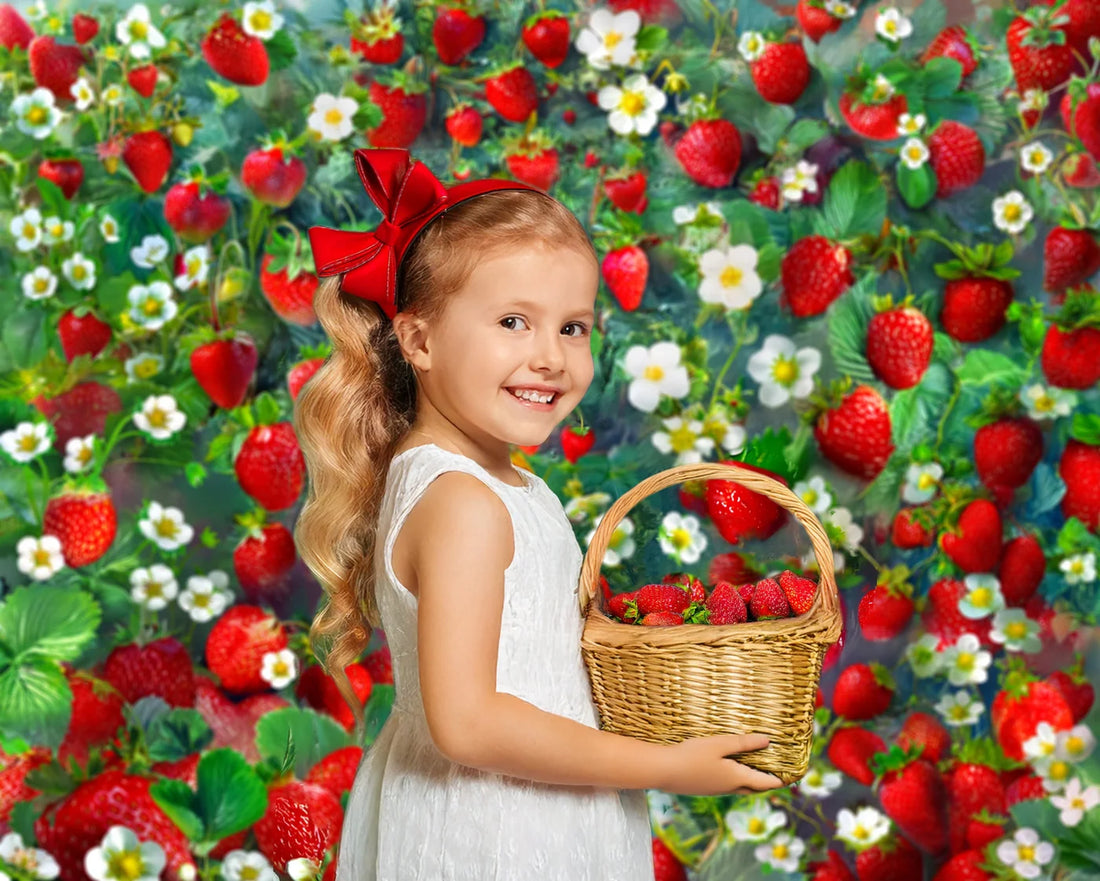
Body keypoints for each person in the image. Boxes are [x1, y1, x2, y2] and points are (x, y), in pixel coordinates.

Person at [293, 148, 784, 881]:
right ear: (418, 339)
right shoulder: (464, 500)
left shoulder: (499, 483)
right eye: (514, 321)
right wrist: (664, 764)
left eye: (573, 328)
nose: (550, 357)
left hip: (519, 813)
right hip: (494, 834)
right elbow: (468, 722)